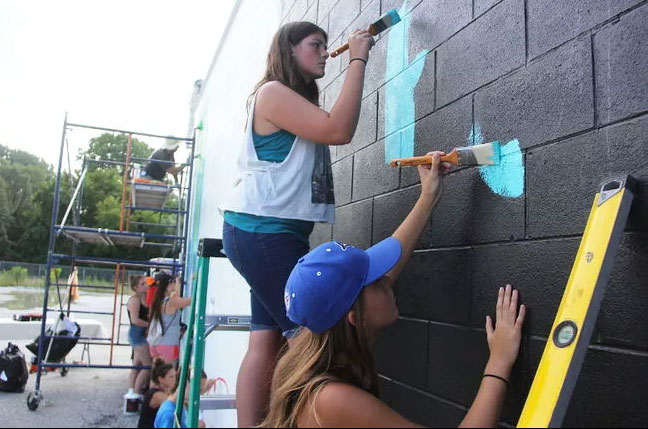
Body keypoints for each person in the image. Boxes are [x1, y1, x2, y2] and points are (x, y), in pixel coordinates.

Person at [262, 154, 527, 427]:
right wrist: (499, 362)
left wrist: (428, 197)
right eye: (376, 281)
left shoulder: (311, 357)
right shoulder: (331, 400)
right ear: (354, 317)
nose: (388, 280)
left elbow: (380, 272)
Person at [220, 21, 375, 427]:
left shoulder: (289, 101)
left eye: (327, 46)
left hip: (264, 235)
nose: (325, 52)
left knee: (266, 341)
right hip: (263, 234)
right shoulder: (272, 93)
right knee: (310, 340)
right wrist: (358, 56)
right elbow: (338, 129)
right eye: (315, 45)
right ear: (289, 50)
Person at [147, 272, 190, 363]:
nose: (174, 283)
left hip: (156, 341)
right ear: (168, 285)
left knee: (158, 373)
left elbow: (177, 299)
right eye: (173, 281)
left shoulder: (158, 301)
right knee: (168, 372)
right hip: (169, 343)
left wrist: (177, 284)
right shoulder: (171, 302)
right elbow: (189, 301)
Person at [127, 274, 152, 395]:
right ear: (136, 287)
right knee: (147, 366)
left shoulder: (145, 297)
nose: (146, 285)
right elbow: (135, 320)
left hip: (142, 334)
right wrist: (150, 324)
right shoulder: (134, 300)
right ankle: (136, 393)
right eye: (142, 284)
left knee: (137, 364)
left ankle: (131, 391)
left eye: (146, 282)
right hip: (137, 335)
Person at [138, 358, 176, 429]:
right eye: (171, 377)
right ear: (161, 379)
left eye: (175, 376)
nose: (175, 379)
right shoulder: (157, 395)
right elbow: (175, 405)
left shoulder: (164, 390)